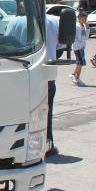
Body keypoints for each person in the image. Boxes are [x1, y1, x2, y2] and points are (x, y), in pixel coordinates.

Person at [45, 14, 59, 157]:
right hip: (47, 70)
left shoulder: (16, 20)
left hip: (20, 71)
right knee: (46, 110)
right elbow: (62, 42)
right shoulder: (53, 20)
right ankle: (47, 144)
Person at [71, 11, 88, 85]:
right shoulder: (76, 26)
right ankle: (76, 77)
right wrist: (79, 46)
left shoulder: (82, 26)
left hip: (82, 48)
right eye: (84, 18)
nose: (85, 20)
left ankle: (75, 76)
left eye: (86, 18)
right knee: (80, 63)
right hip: (77, 48)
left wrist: (87, 28)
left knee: (81, 63)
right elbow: (74, 39)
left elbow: (86, 37)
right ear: (79, 18)